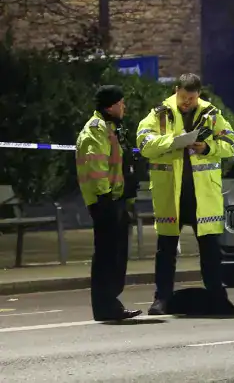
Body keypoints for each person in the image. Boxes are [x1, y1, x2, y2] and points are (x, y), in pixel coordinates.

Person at [136, 73, 234, 315]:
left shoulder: (211, 114)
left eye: (191, 98)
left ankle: (218, 299)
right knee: (166, 251)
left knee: (210, 252)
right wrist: (172, 142)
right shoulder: (160, 113)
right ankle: (161, 299)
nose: (186, 102)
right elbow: (143, 143)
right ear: (176, 90)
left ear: (199, 95)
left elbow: (232, 143)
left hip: (202, 196)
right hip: (170, 195)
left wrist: (208, 147)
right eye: (183, 97)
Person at [75, 85, 143, 322]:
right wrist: (105, 199)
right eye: (121, 102)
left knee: (116, 255)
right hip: (106, 202)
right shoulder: (96, 131)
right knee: (107, 256)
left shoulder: (113, 128)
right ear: (110, 106)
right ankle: (105, 306)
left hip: (117, 200)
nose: (124, 106)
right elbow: (96, 167)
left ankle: (111, 303)